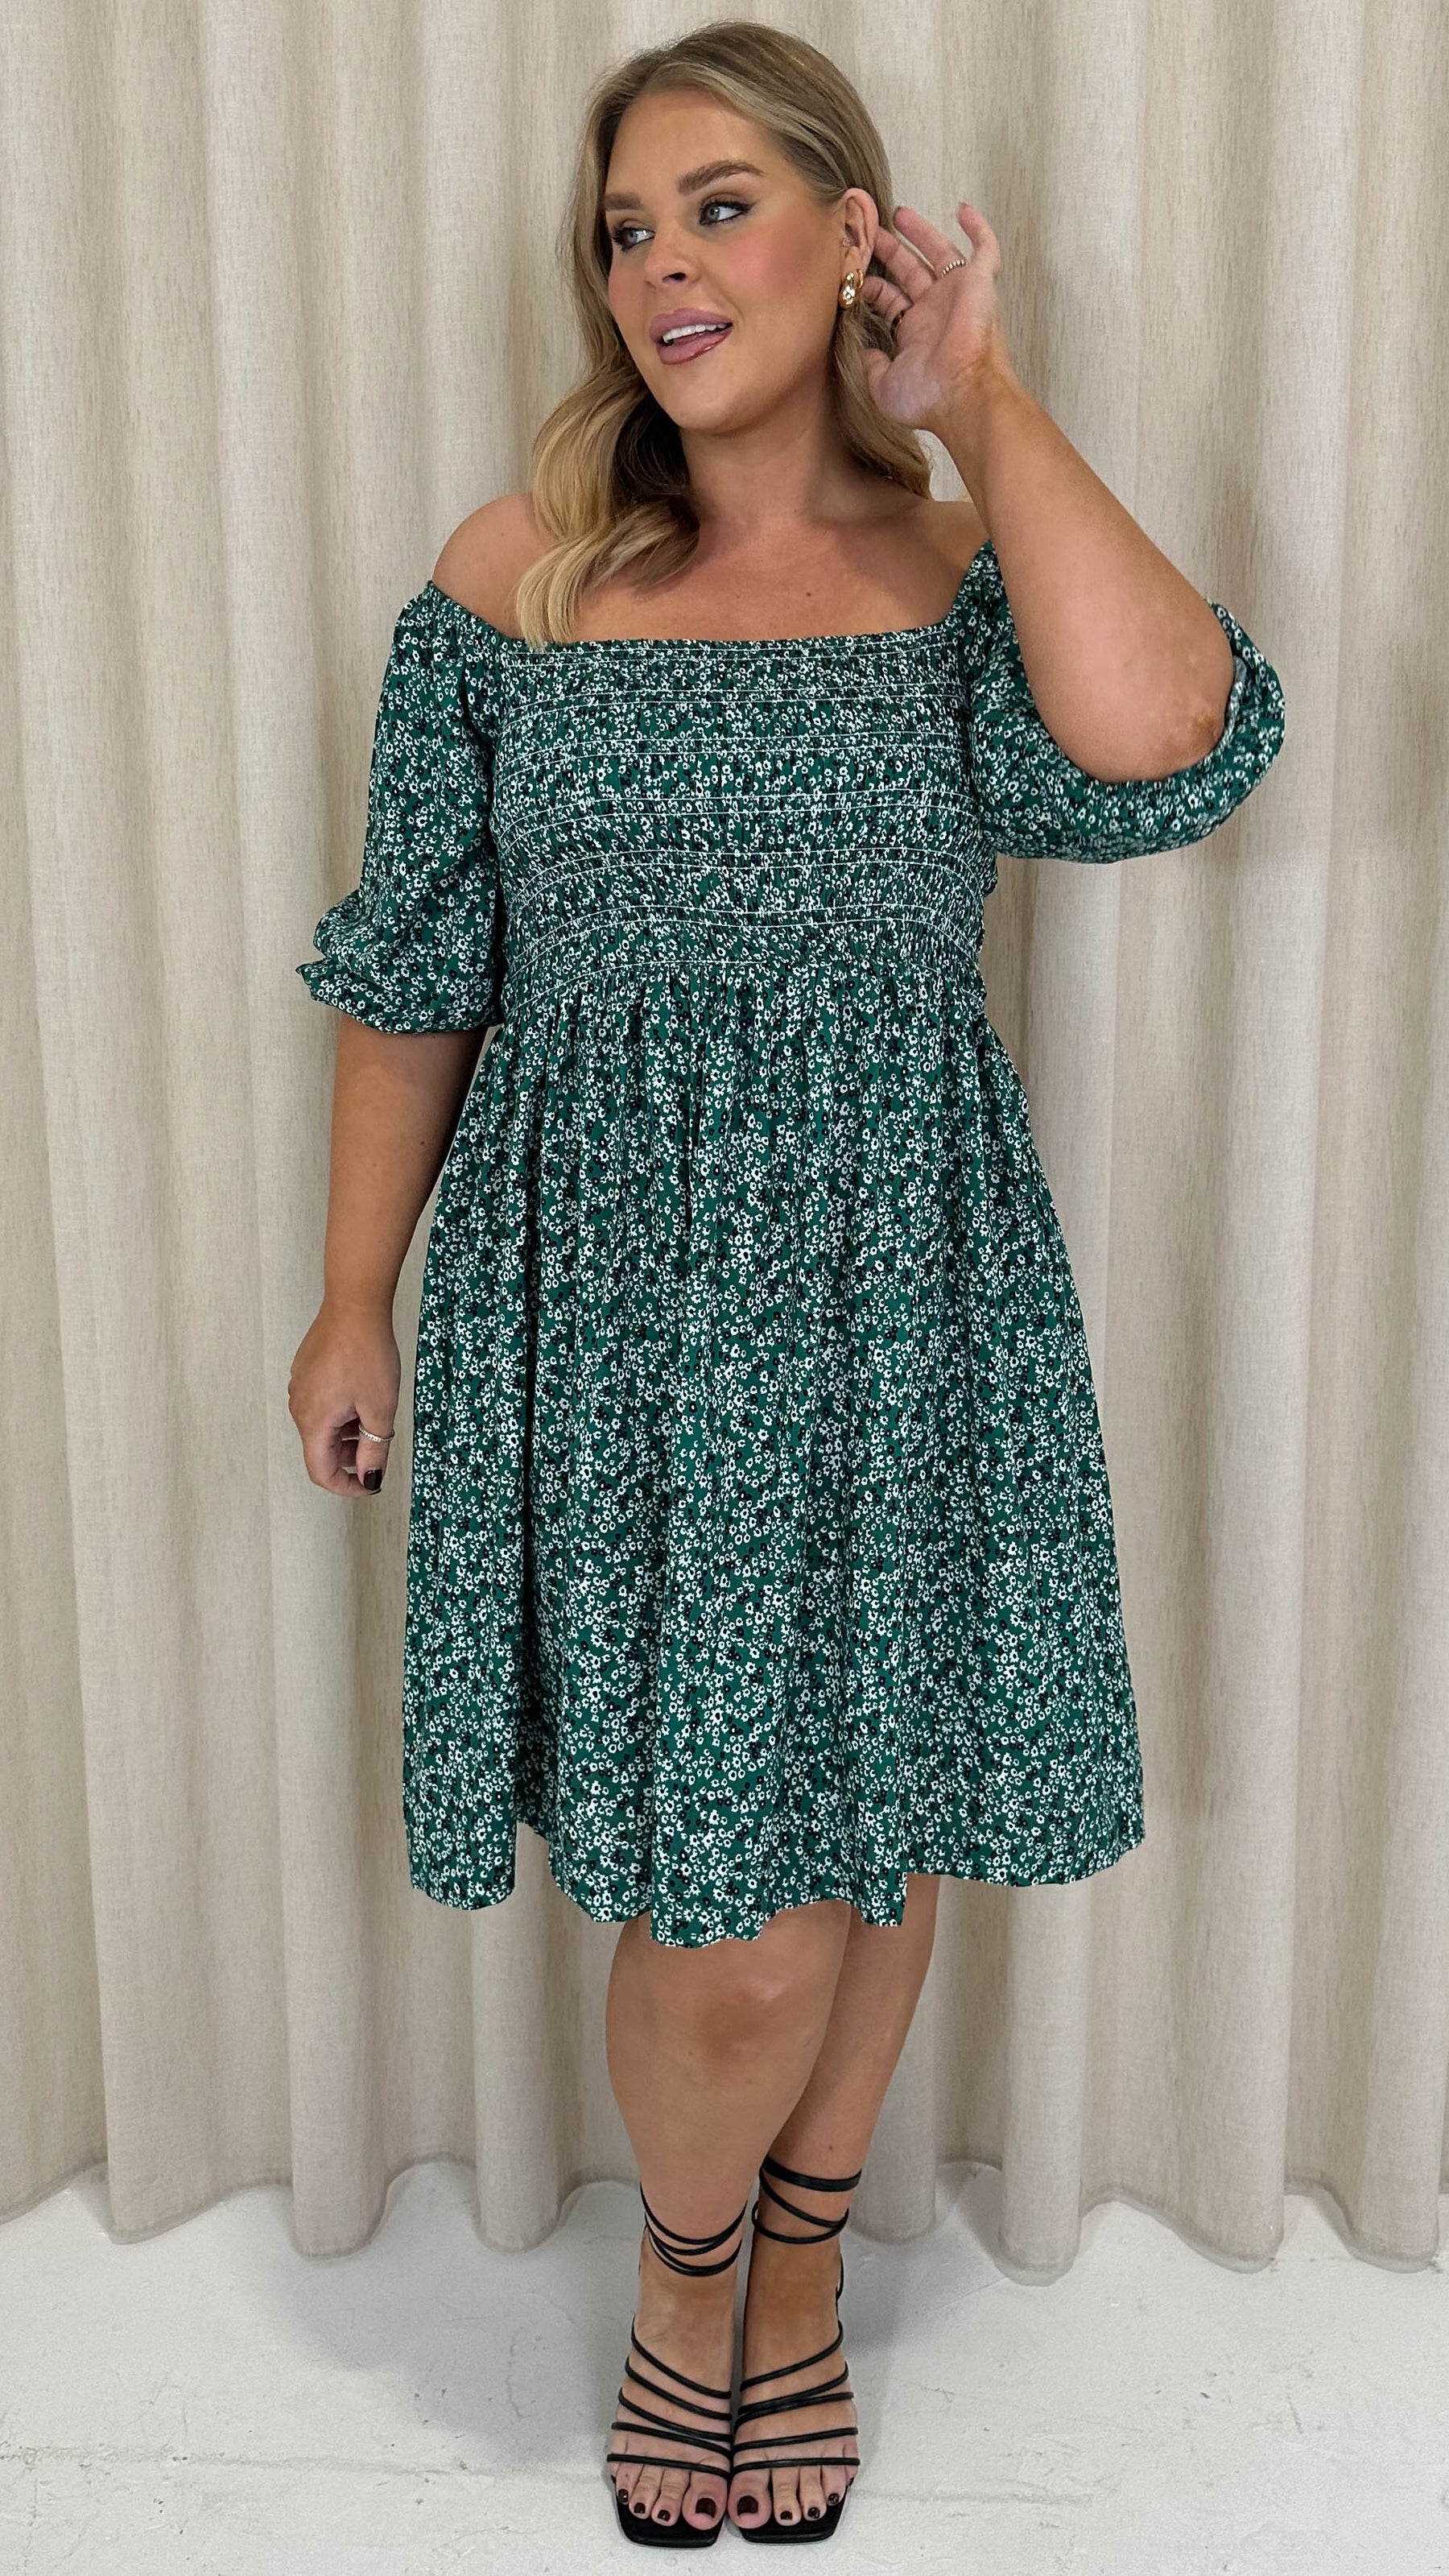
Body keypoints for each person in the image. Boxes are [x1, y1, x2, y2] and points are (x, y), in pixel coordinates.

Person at [288, 18, 1286, 2550]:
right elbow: (417, 972)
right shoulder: (513, 581)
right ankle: (686, 2282)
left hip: (895, 1278)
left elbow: (1172, 734)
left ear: (856, 238)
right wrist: (351, 1294)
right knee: (713, 1899)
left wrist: (985, 407)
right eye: (626, 228)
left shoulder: (959, 573)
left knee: (865, 1821)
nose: (661, 268)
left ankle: (800, 2276)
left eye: (719, 207)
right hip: (604, 1298)